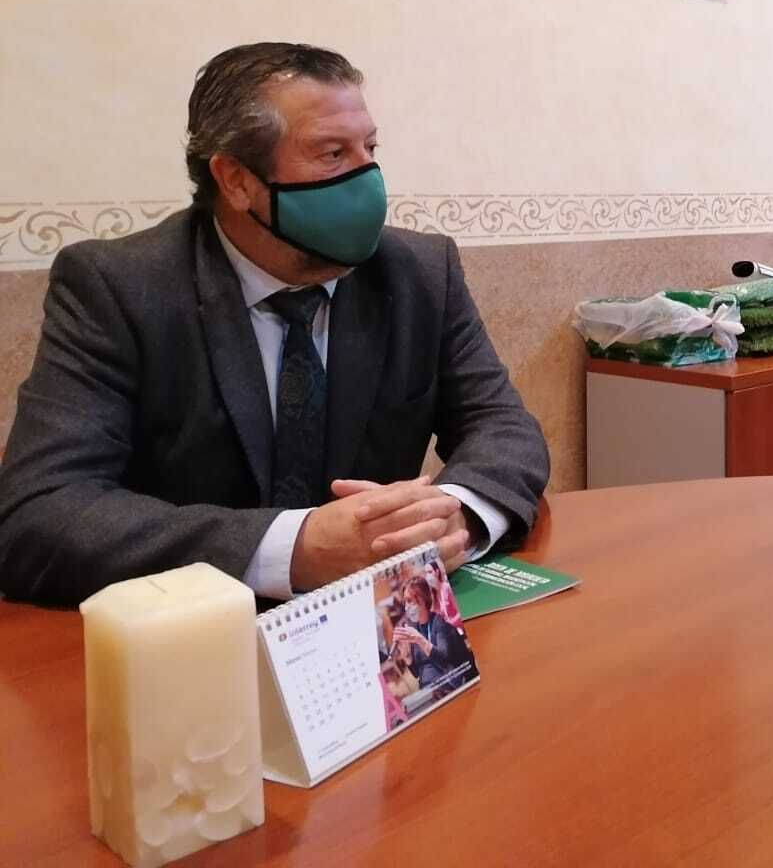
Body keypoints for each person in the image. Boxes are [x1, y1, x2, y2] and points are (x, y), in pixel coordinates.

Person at [0, 43, 550, 606]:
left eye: (370, 148)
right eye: (333, 154)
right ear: (236, 181)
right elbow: (39, 512)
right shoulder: (118, 286)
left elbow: (504, 429)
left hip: (378, 642)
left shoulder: (420, 272)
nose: (369, 182)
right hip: (191, 643)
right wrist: (292, 549)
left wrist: (456, 512)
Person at [391, 576, 476, 690]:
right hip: (428, 688)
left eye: (409, 600)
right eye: (405, 602)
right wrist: (407, 658)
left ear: (422, 599)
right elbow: (418, 673)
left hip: (448, 686)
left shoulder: (439, 622)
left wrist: (419, 640)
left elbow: (444, 659)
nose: (406, 607)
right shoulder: (414, 627)